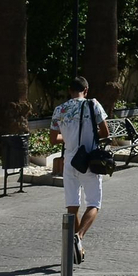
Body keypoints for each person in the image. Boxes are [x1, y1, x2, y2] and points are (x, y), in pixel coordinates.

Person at [50, 77, 109, 263]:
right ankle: (79, 236)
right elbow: (105, 132)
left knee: (72, 205)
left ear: (70, 90)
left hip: (70, 161)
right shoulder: (93, 104)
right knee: (94, 203)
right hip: (89, 160)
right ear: (86, 89)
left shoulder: (59, 110)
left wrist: (69, 138)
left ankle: (77, 248)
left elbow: (53, 139)